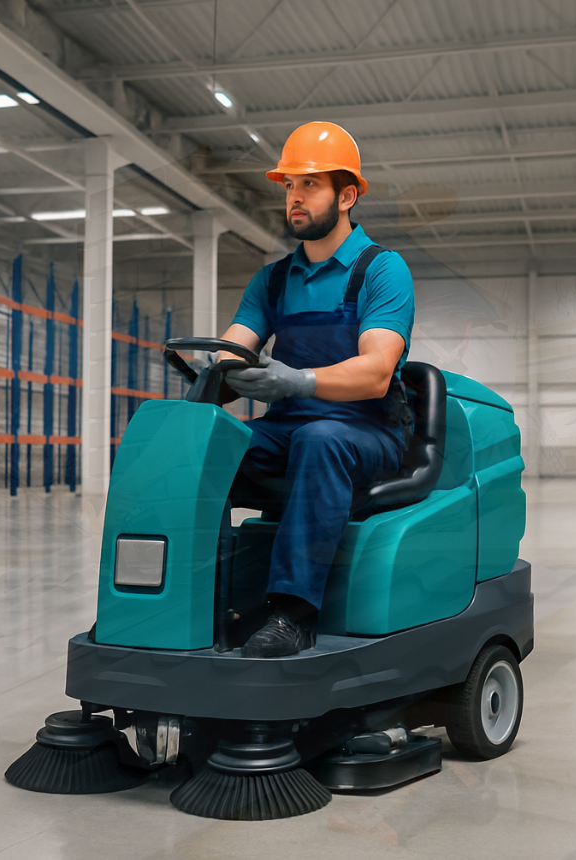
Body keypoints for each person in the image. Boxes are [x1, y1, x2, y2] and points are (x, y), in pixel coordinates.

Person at [218, 121, 415, 658]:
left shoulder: (381, 271)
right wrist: (214, 375)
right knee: (206, 445)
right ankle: (194, 598)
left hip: (365, 432)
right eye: (288, 187)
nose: (294, 199)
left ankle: (293, 615)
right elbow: (232, 346)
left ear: (347, 195)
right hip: (287, 429)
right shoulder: (274, 279)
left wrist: (297, 380)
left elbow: (377, 371)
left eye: (309, 185)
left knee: (320, 440)